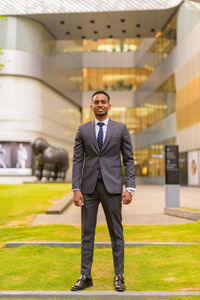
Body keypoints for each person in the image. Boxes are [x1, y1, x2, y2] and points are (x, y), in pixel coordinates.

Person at [71, 90, 136, 292]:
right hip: (88, 189)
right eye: (96, 102)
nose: (100, 104)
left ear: (109, 105)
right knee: (86, 233)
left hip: (113, 188)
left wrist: (130, 187)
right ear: (91, 106)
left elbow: (129, 159)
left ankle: (119, 276)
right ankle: (85, 275)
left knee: (116, 233)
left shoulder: (121, 129)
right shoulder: (83, 130)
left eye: (103, 102)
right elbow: (77, 160)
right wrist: (76, 188)